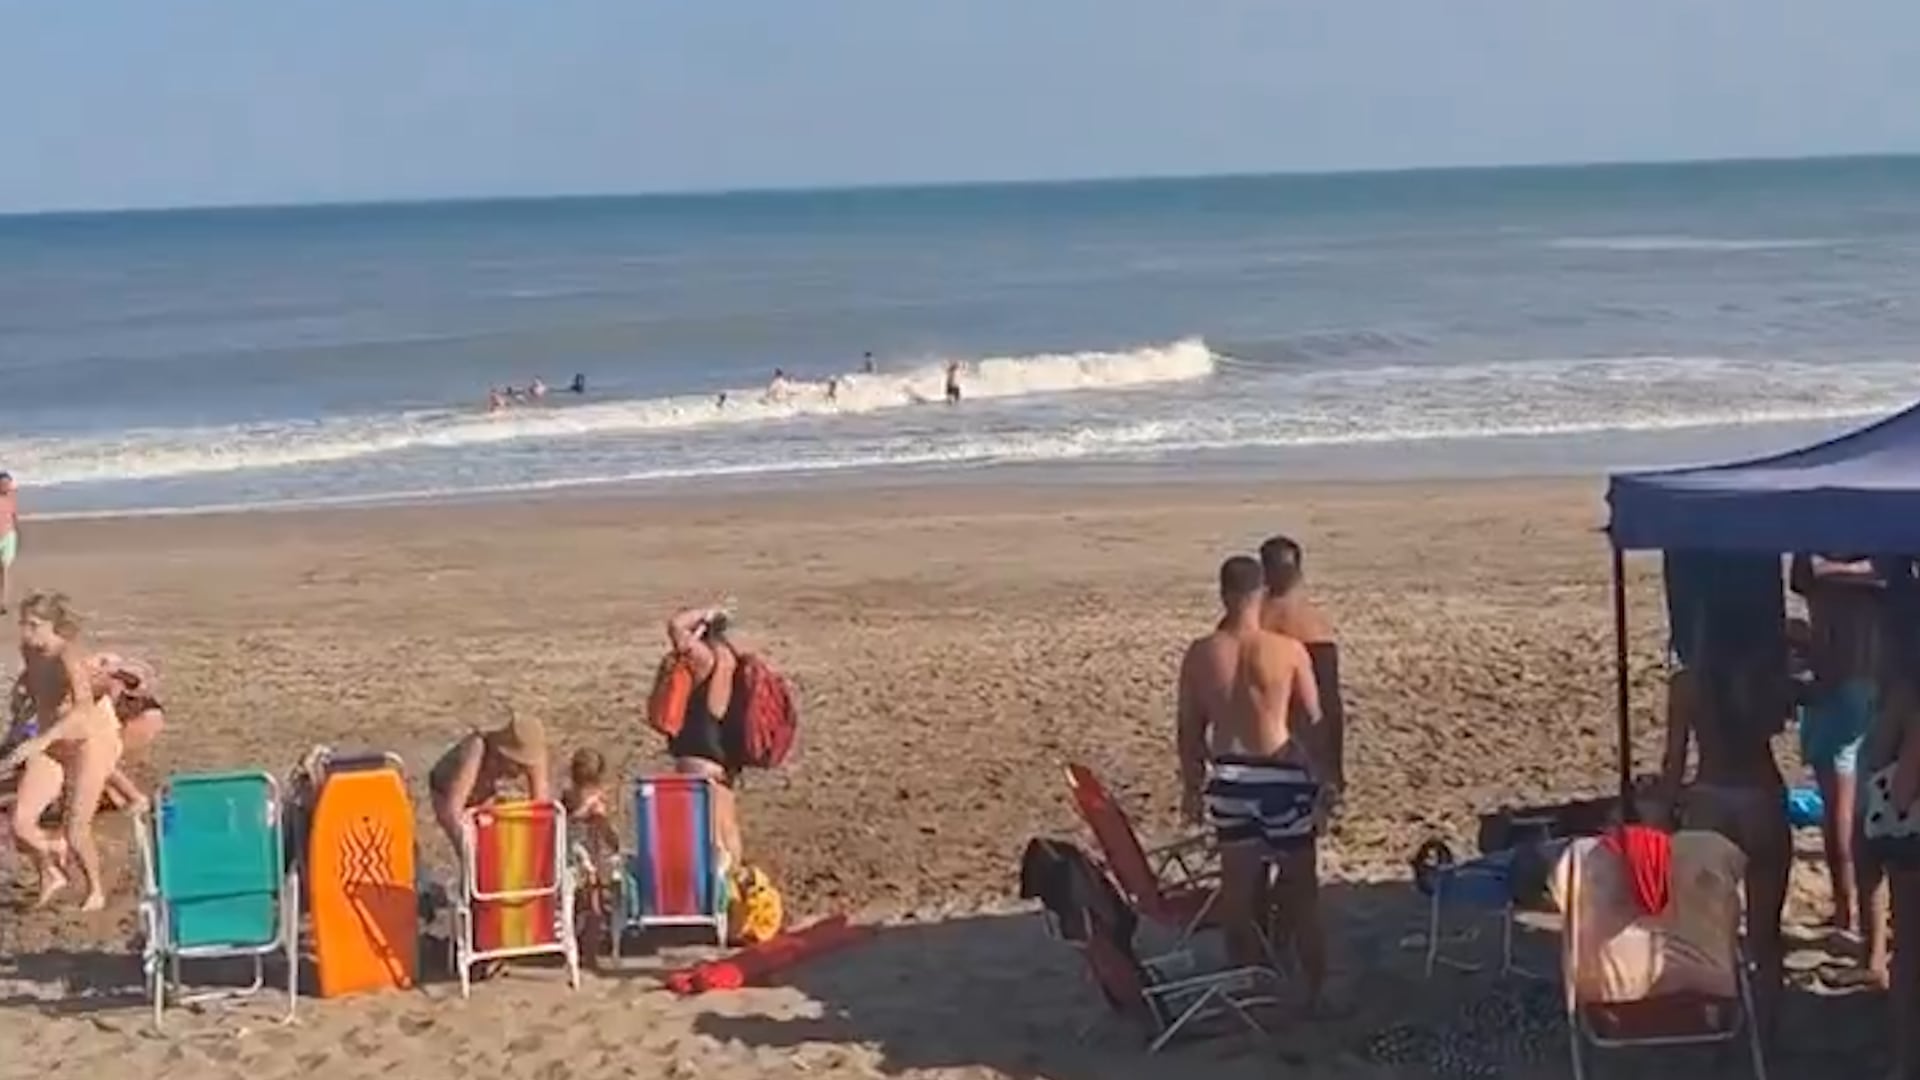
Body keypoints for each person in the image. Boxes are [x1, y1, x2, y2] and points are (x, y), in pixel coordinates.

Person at [1177, 556, 1332, 1004]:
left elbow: (1189, 730)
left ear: (1222, 594)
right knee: (1302, 892)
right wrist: (1320, 783)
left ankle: (1249, 988)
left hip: (1230, 780)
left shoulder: (1201, 653)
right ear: (1262, 594)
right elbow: (1314, 722)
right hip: (1282, 777)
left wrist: (1191, 786)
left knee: (1238, 897)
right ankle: (1313, 992)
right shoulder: (1287, 650)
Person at [1657, 635, 1792, 1041]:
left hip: (1711, 799)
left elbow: (1674, 759)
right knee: (1765, 934)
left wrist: (1663, 813)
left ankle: (1719, 1030)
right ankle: (1766, 1034)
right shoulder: (1764, 676)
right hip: (1761, 794)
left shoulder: (1688, 683)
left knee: (1710, 934)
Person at [0, 593, 124, 911]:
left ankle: (95, 889)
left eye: (34, 625)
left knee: (76, 828)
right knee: (20, 824)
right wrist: (22, 693)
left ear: (52, 626)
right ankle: (52, 869)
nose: (26, 631)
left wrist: (42, 740)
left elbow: (82, 707)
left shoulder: (68, 655)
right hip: (50, 743)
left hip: (86, 743)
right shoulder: (28, 649)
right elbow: (34, 678)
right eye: (23, 624)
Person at [1789, 553, 1883, 949]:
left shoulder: (1827, 534)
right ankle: (1862, 914)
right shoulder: (1878, 536)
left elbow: (1803, 575)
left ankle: (1849, 914)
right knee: (1865, 802)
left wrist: (1827, 571)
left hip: (1839, 677)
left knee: (1841, 808)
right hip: (1872, 675)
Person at [1258, 536, 1346, 793]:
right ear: (1298, 572)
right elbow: (1330, 705)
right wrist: (1334, 768)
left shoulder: (1252, 618)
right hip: (1292, 740)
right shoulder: (1312, 623)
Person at [664, 605, 745, 863]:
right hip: (725, 754)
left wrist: (708, 610)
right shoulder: (730, 659)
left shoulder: (705, 660)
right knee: (726, 828)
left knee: (708, 837)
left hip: (700, 755)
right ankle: (735, 890)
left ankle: (716, 896)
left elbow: (675, 626)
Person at [427, 711, 551, 858]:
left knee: (497, 849)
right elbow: (453, 810)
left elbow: (541, 807)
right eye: (517, 765)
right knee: (474, 856)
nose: (521, 772)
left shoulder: (535, 753)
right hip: (446, 790)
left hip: (485, 788)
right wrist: (471, 852)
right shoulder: (477, 748)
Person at [0, 472, 17, 614]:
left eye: (8, 483)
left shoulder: (11, 497)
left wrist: (15, 528)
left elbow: (13, 515)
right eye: (4, 484)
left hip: (9, 537)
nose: (7, 486)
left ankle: (3, 602)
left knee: (5, 568)